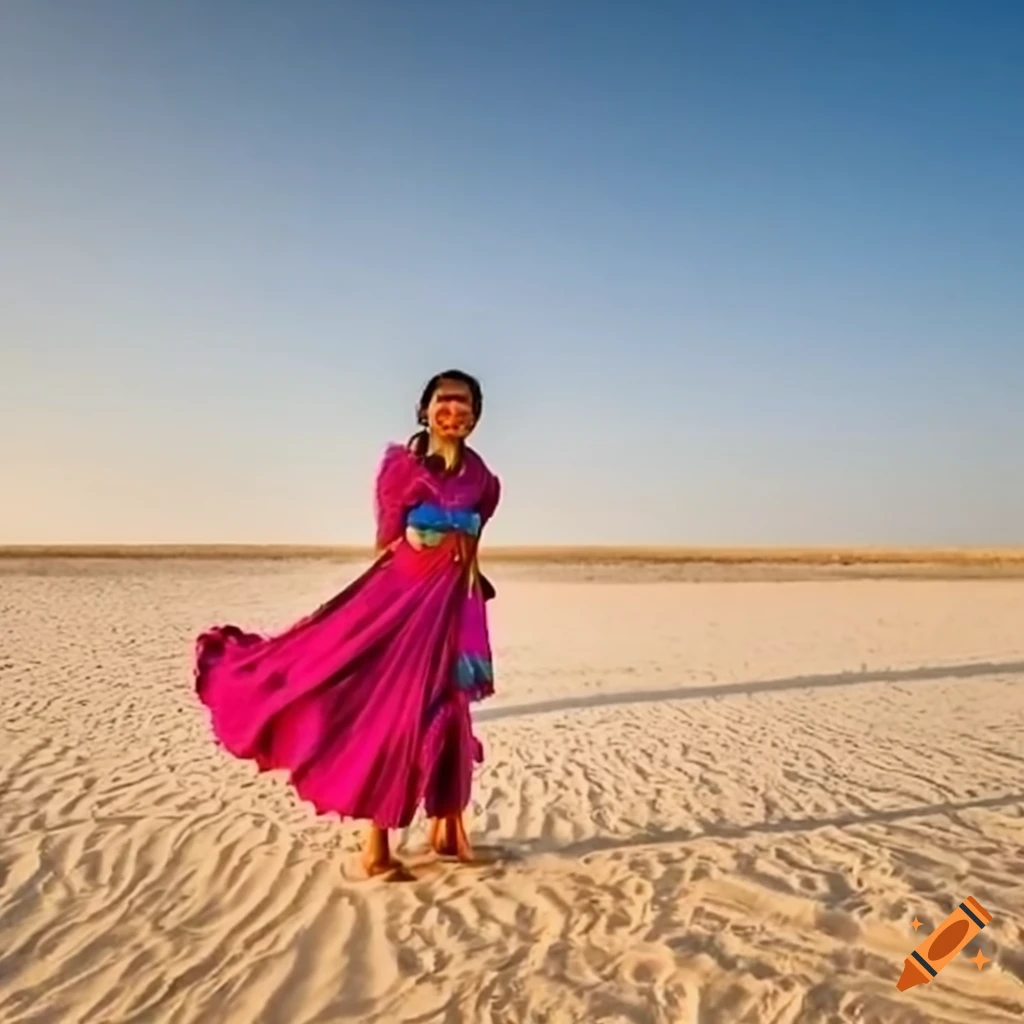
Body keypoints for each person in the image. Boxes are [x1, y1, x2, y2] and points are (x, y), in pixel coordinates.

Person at [195, 370, 501, 879]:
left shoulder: (484, 481)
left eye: (465, 401)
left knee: (450, 710)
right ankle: (376, 849)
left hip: (455, 606)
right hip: (399, 604)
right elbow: (386, 543)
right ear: (424, 410)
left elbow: (474, 545)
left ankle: (447, 831)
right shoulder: (402, 470)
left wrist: (470, 590)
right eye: (444, 400)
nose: (454, 409)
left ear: (477, 414)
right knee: (390, 713)